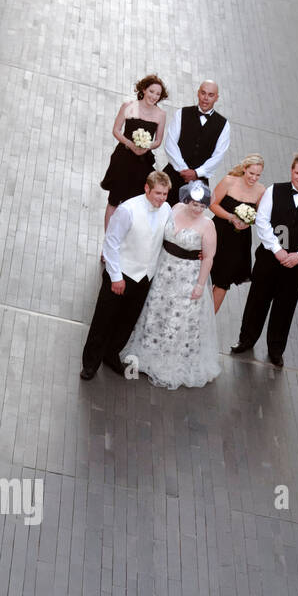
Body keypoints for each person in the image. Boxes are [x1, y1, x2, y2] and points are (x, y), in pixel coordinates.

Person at [230, 151, 298, 368]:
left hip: (296, 265)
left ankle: (276, 350)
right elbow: (263, 221)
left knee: (285, 307)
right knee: (257, 300)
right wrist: (277, 249)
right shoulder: (274, 191)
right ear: (291, 171)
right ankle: (246, 340)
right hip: (268, 258)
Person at [124, 181, 220, 389]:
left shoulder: (208, 226)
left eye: (202, 206)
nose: (198, 209)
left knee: (177, 317)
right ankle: (146, 353)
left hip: (187, 276)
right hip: (163, 268)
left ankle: (168, 363)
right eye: (194, 204)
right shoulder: (174, 209)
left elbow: (209, 258)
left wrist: (200, 285)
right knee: (155, 311)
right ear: (186, 200)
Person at [80, 170, 172, 380]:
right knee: (103, 321)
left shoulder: (166, 209)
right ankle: (90, 364)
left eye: (165, 194)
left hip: (145, 278)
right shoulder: (128, 210)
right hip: (122, 275)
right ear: (147, 189)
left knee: (127, 322)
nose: (162, 198)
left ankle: (111, 355)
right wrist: (115, 277)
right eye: (158, 193)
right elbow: (111, 244)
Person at [99, 75, 168, 231]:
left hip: (142, 162)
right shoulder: (129, 106)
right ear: (144, 89)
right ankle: (108, 239)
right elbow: (116, 130)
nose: (154, 96)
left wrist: (146, 147)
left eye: (158, 94)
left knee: (134, 202)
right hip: (123, 157)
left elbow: (158, 141)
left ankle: (124, 237)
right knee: (114, 200)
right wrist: (129, 143)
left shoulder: (161, 115)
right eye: (151, 91)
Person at [209, 154, 266, 312]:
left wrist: (248, 221)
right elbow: (212, 203)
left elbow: (259, 217)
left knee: (223, 281)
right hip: (217, 232)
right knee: (205, 271)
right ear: (244, 169)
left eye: (258, 175)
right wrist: (231, 217)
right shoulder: (229, 181)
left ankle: (207, 322)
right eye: (251, 173)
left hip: (239, 240)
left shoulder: (262, 190)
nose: (254, 178)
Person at [163, 80, 230, 206]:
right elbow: (170, 144)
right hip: (172, 174)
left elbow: (219, 155)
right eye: (203, 93)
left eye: (211, 95)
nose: (206, 98)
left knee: (188, 220)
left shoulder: (224, 125)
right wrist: (183, 169)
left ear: (217, 98)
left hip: (199, 182)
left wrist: (196, 173)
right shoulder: (181, 113)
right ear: (198, 93)